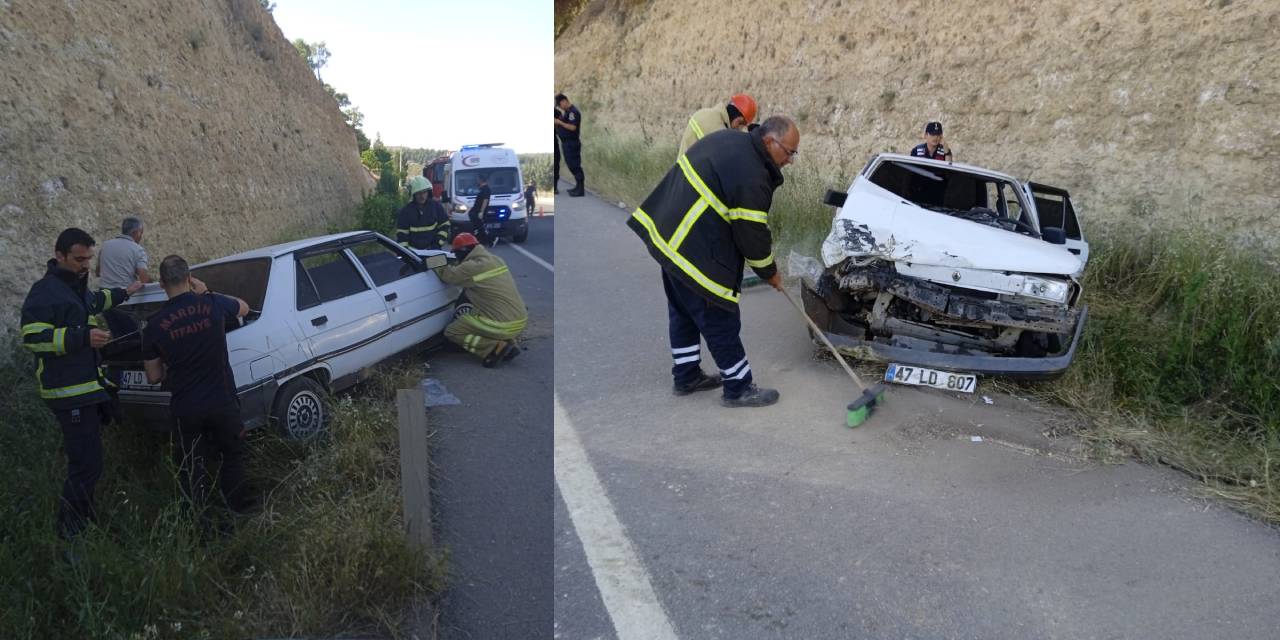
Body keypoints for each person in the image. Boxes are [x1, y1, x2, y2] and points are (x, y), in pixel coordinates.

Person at [626, 116, 800, 408]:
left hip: (668, 238)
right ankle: (738, 387)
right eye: (789, 151)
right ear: (770, 142)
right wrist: (769, 272)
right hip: (692, 249)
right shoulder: (753, 174)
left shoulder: (731, 141)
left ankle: (686, 375)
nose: (791, 160)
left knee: (683, 311)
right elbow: (751, 234)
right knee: (719, 316)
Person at [20, 228, 142, 538]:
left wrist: (128, 291)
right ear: (59, 255)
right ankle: (71, 533)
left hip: (86, 389)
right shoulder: (45, 291)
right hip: (68, 393)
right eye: (79, 259)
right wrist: (82, 338)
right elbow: (33, 338)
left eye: (89, 259)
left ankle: (83, 520)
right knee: (85, 466)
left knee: (90, 463)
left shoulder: (76, 287)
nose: (86, 265)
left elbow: (97, 301)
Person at [142, 255, 253, 513]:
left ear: (161, 283)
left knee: (192, 467)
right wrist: (207, 291)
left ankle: (200, 520)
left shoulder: (154, 326)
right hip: (222, 401)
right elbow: (244, 308)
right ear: (190, 278)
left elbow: (153, 376)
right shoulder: (212, 303)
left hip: (186, 407)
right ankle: (239, 510)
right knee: (232, 456)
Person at [436, 233, 527, 368]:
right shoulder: (496, 260)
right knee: (484, 312)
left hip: (502, 325)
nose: (456, 257)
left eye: (456, 254)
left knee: (453, 331)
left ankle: (493, 348)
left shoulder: (471, 267)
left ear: (463, 252)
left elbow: (448, 276)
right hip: (520, 321)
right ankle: (510, 344)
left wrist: (436, 263)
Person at [677, 93, 758, 156]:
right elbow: (727, 154)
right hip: (689, 175)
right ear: (739, 120)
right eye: (741, 126)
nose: (738, 129)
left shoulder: (710, 114)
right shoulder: (713, 122)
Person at [96, 216, 151, 289]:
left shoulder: (105, 245)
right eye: (141, 233)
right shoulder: (138, 250)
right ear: (136, 232)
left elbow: (98, 272)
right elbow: (144, 279)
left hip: (104, 294)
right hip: (125, 294)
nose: (141, 236)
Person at [396, 176, 450, 250]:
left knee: (440, 262)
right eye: (418, 193)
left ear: (428, 192)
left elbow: (445, 225)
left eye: (424, 192)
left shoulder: (436, 207)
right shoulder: (405, 211)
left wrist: (437, 244)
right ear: (413, 194)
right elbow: (402, 234)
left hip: (433, 250)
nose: (422, 196)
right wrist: (405, 252)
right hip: (413, 253)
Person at [555, 93, 585, 197]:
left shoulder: (573, 112)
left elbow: (573, 128)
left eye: (559, 105)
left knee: (575, 166)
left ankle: (581, 189)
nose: (560, 107)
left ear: (564, 101)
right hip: (567, 143)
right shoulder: (567, 112)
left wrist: (560, 122)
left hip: (572, 143)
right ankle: (578, 186)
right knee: (571, 165)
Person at [468, 174, 493, 245]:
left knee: (481, 227)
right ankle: (481, 241)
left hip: (478, 212)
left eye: (478, 179)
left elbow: (485, 200)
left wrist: (481, 212)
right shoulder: (481, 189)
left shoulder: (486, 189)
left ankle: (491, 240)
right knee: (478, 228)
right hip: (475, 212)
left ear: (481, 180)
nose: (477, 181)